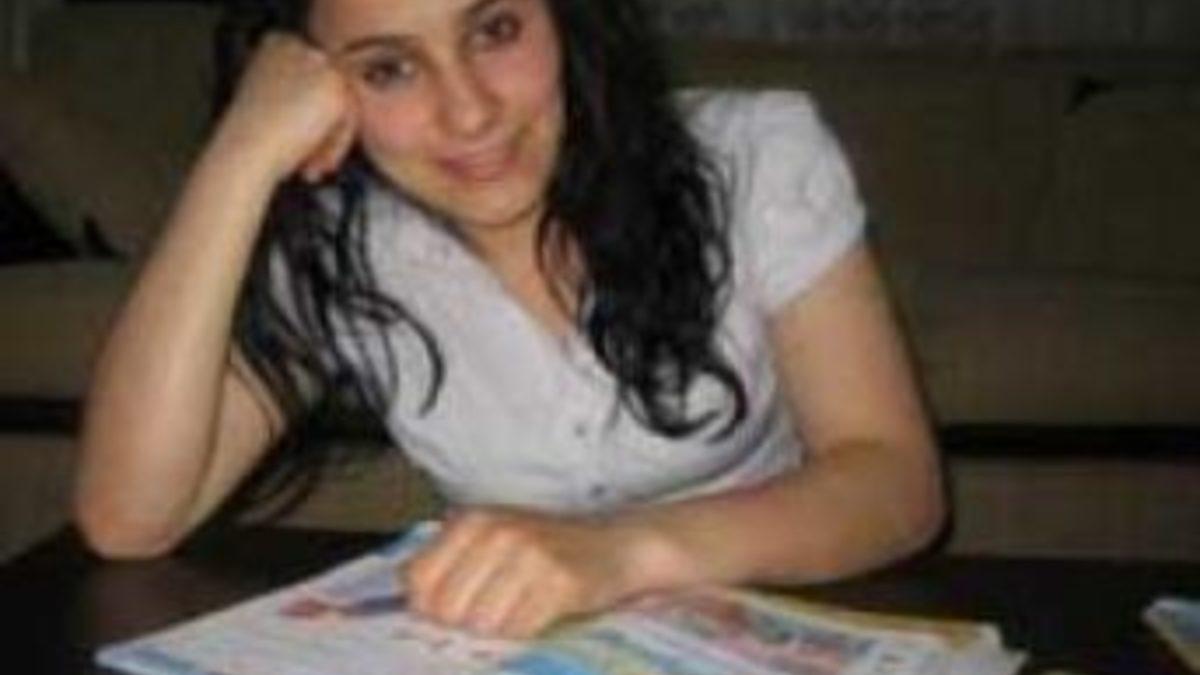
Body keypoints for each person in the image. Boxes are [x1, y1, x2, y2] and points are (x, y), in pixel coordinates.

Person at [74, 0, 945, 639]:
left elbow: (897, 482)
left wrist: (622, 554)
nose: (470, 111)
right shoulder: (348, 245)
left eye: (495, 30)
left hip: (793, 626)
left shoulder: (754, 154)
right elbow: (128, 519)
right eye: (388, 68)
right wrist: (239, 157)